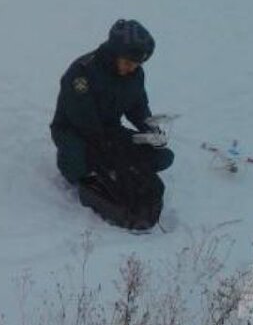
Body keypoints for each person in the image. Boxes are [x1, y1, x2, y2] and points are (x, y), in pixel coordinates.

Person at [50, 19, 174, 229]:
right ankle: (85, 166)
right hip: (73, 131)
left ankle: (116, 166)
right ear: (114, 52)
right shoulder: (82, 73)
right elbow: (81, 117)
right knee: (76, 169)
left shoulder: (135, 74)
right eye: (127, 62)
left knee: (162, 157)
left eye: (137, 64)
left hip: (109, 130)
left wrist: (150, 131)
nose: (131, 68)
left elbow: (138, 107)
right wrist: (109, 151)